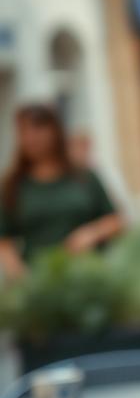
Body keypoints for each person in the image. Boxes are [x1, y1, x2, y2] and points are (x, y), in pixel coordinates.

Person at [0, 103, 122, 278]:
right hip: (40, 279)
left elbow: (116, 220)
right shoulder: (13, 185)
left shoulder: (84, 177)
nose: (31, 137)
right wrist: (20, 277)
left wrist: (91, 233)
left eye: (38, 128)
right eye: (24, 131)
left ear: (55, 131)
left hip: (89, 275)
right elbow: (4, 239)